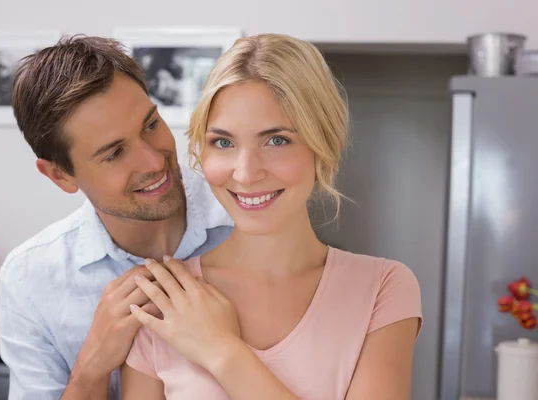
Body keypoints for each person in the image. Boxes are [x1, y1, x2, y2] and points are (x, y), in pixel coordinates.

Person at [120, 33, 423, 399]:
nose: (246, 173)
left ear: (323, 144)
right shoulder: (166, 297)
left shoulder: (383, 288)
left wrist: (222, 351)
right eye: (224, 142)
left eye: (276, 140)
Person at [0, 35, 234, 399]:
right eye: (114, 153)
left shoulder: (244, 216)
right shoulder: (30, 281)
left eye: (150, 125)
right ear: (60, 175)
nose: (154, 162)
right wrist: (92, 366)